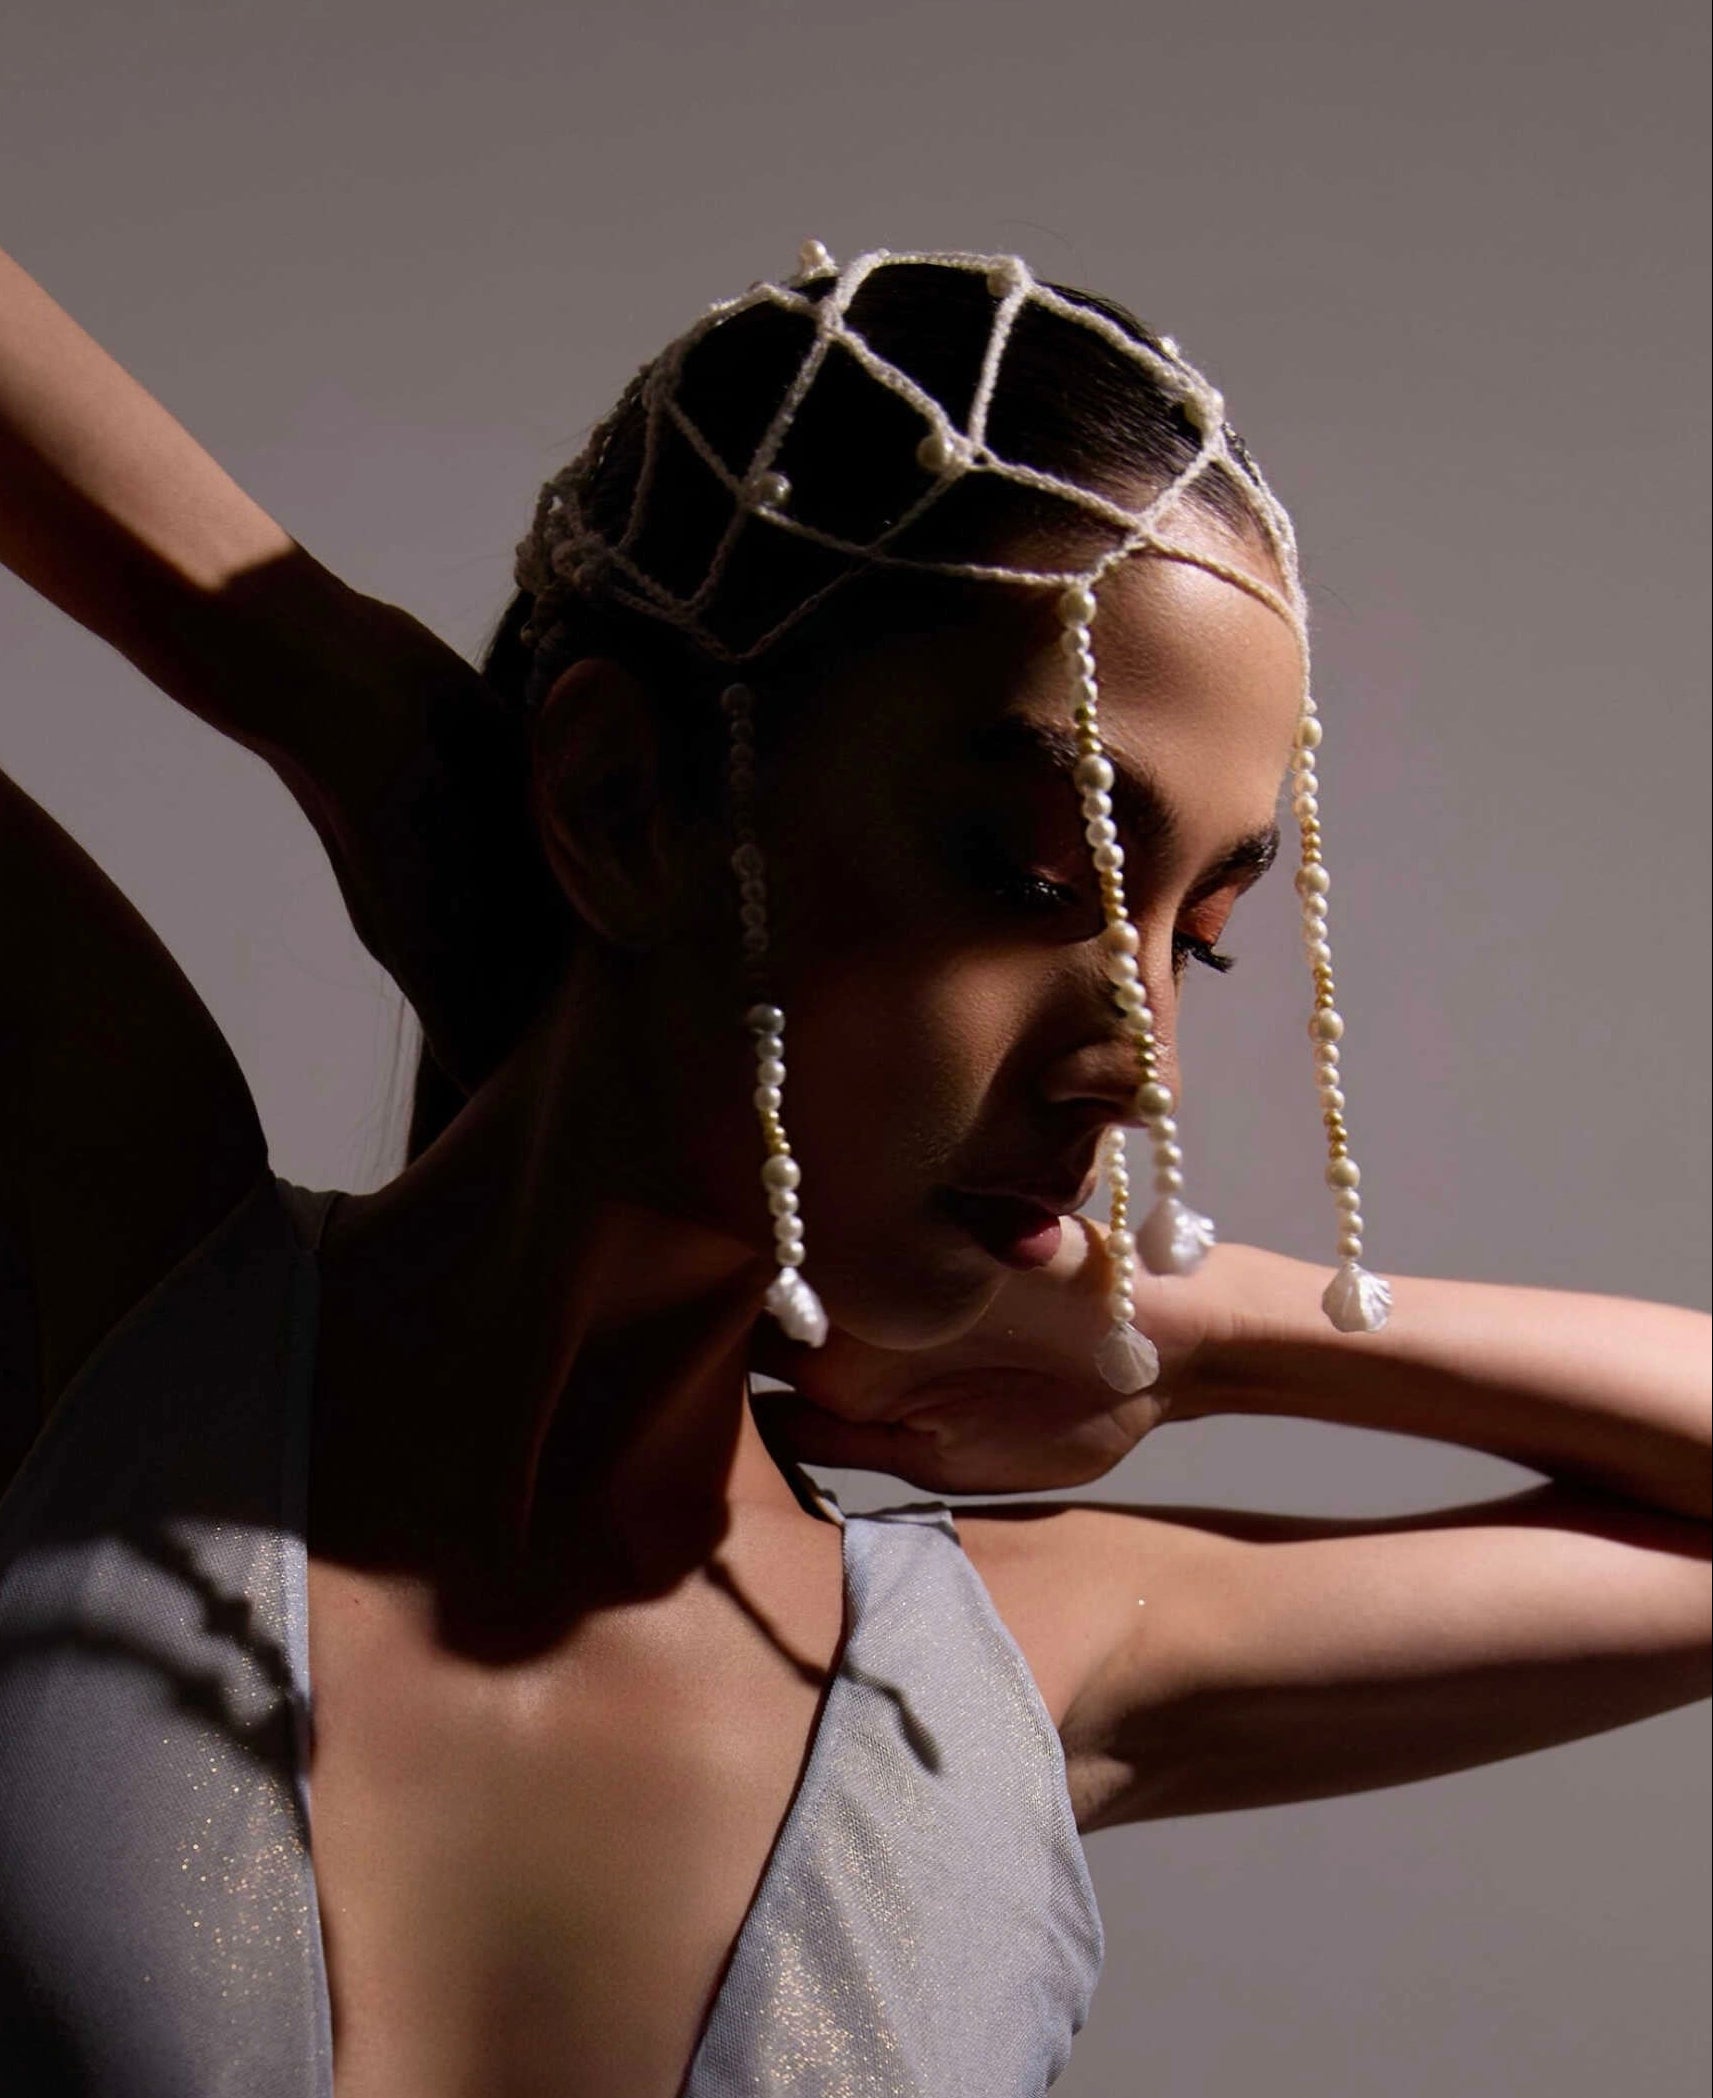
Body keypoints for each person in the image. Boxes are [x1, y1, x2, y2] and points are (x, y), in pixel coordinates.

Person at [0, 238, 1706, 2098]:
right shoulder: (106, 1300)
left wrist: (1209, 1333)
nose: (1139, 1065)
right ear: (621, 798)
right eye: (1031, 875)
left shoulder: (1001, 1670)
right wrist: (326, 685)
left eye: (1196, 939)